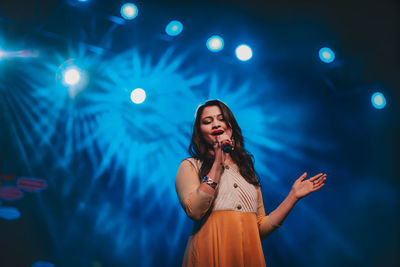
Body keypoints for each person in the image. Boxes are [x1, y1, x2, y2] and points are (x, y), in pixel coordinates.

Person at [175, 100, 326, 267]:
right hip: (209, 254)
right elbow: (194, 211)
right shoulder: (190, 166)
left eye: (221, 119)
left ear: (230, 127)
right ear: (200, 132)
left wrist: (293, 196)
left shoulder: (247, 171)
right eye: (207, 121)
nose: (215, 124)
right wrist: (218, 161)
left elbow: (259, 229)